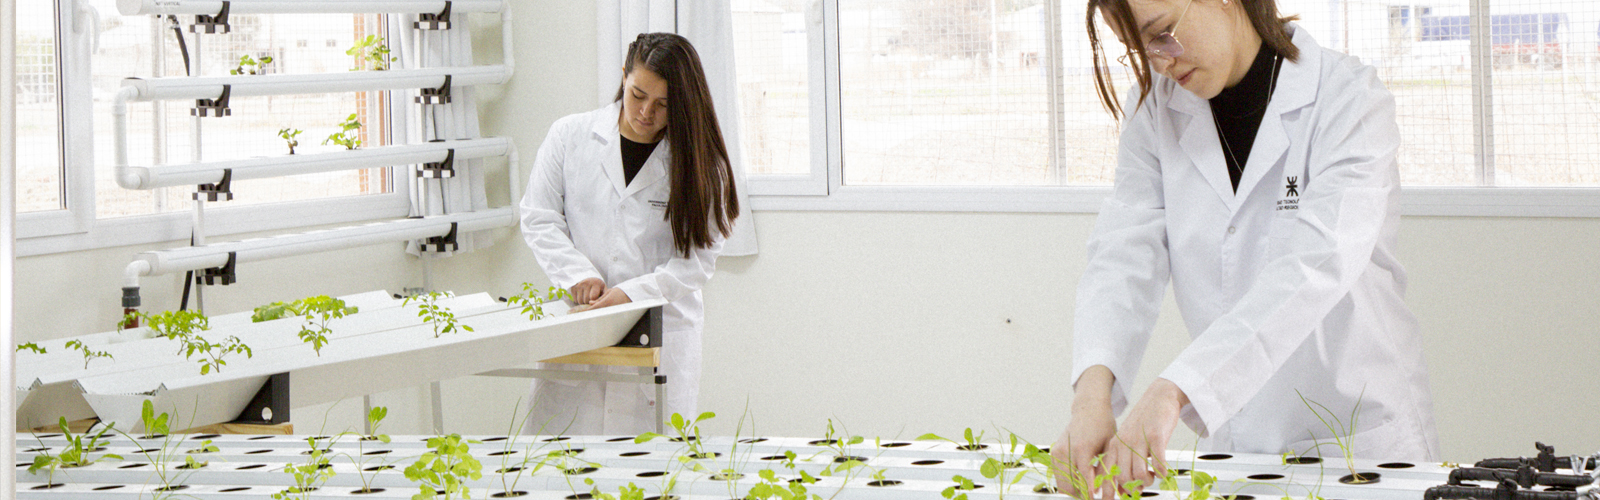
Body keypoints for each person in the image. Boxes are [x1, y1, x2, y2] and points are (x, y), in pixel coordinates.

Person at [1052, 0, 1439, 497]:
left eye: (1163, 33)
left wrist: (1177, 388)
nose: (1160, 62)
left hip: (1359, 438)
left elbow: (1315, 265)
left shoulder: (1347, 98)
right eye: (1139, 49)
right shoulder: (1155, 111)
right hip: (1241, 443)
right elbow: (1124, 255)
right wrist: (1091, 395)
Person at [518, 32, 739, 434]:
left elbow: (698, 260)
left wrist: (630, 294)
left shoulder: (701, 164)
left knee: (652, 475)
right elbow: (538, 216)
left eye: (663, 105)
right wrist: (577, 274)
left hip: (661, 330)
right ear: (624, 76)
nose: (645, 112)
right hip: (581, 324)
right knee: (562, 471)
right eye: (638, 95)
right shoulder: (569, 137)